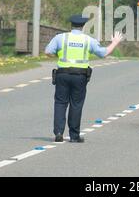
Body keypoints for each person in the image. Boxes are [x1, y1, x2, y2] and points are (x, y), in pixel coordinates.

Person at [45, 15, 123, 143]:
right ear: (83, 26)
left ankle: (58, 133)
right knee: (76, 105)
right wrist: (115, 42)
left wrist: (57, 56)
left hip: (62, 74)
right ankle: (74, 136)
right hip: (80, 76)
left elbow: (48, 51)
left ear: (71, 25)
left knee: (60, 103)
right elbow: (103, 53)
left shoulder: (61, 38)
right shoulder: (88, 40)